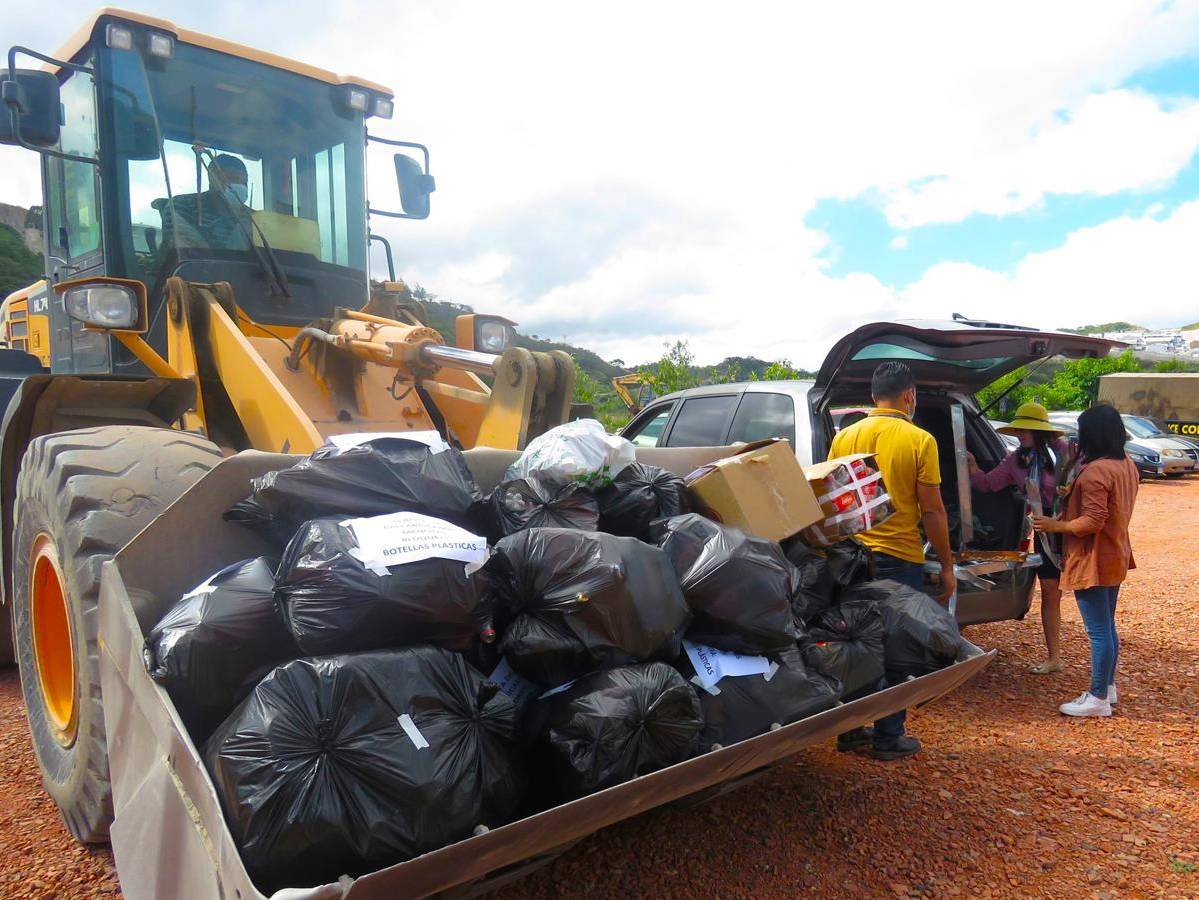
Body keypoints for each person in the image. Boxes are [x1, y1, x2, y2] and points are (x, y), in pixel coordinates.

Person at [829, 361, 956, 760]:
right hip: (899, 557)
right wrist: (948, 566)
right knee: (897, 647)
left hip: (849, 558)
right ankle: (888, 737)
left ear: (873, 396)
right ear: (909, 396)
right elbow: (933, 510)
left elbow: (834, 498)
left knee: (854, 641)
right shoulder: (920, 439)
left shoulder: (844, 437)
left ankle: (850, 729)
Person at [1033, 404, 1138, 717]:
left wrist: (1057, 525)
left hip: (1093, 557)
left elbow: (1093, 521)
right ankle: (1106, 687)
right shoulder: (1127, 464)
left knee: (1098, 631)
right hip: (1116, 551)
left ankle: (1097, 698)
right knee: (1108, 626)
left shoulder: (1095, 472)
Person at [967, 401, 1069, 674]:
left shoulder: (1064, 452)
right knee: (1050, 593)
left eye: (1026, 430)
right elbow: (989, 483)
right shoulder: (1016, 460)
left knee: (1086, 592)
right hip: (1044, 531)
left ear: (1040, 431)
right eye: (1019, 430)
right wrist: (974, 468)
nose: (1020, 434)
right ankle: (1054, 657)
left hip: (1070, 527)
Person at [159, 154, 253, 252]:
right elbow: (183, 251)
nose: (241, 186)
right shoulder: (182, 204)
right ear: (213, 179)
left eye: (244, 183)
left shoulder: (253, 218)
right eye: (233, 179)